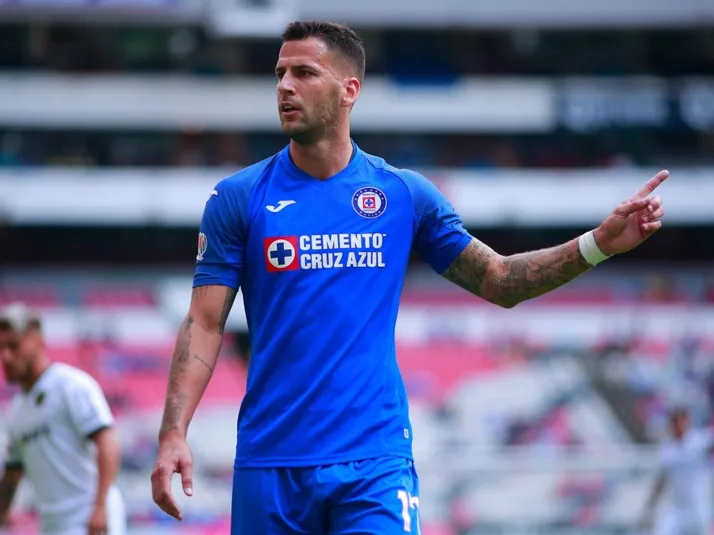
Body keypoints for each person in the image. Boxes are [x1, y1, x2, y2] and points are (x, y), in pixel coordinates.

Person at [150, 20, 668, 535]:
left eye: (304, 73)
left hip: (374, 462)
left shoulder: (402, 195)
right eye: (280, 73)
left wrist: (598, 244)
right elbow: (205, 323)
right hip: (271, 462)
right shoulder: (238, 198)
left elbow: (500, 280)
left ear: (349, 90)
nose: (285, 86)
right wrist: (173, 433)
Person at [0, 303, 126, 535]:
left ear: (38, 341)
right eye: (1, 348)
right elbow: (13, 472)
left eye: (13, 346)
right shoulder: (16, 411)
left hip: (88, 516)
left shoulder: (71, 385)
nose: (5, 356)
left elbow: (107, 442)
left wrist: (100, 506)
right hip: (53, 524)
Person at [642, 407, 713, 535]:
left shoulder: (699, 441)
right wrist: (651, 508)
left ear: (687, 421)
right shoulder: (667, 450)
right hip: (678, 509)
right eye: (675, 422)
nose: (679, 425)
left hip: (698, 509)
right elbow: (661, 482)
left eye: (681, 421)